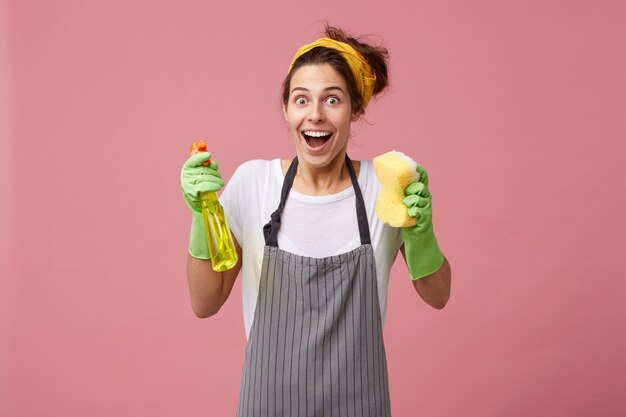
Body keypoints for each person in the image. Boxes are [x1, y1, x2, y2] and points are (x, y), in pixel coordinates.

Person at [180, 25, 452, 417]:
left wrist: (422, 233)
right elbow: (204, 303)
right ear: (286, 110)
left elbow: (438, 296)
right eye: (301, 99)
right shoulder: (254, 183)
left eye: (333, 100)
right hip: (266, 407)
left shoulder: (384, 185)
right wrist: (200, 215)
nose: (316, 115)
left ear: (355, 110)